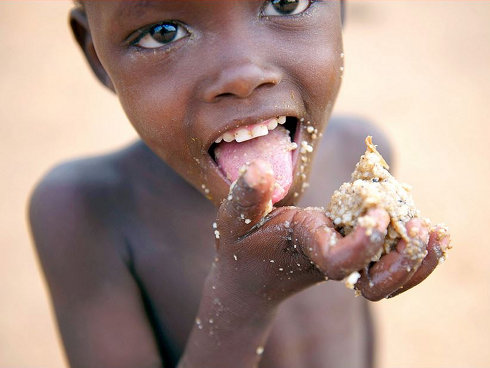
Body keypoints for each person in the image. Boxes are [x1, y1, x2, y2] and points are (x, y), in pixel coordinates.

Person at [28, 1, 450, 367]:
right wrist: (242, 299)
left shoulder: (356, 154)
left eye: (286, 2)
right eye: (163, 32)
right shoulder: (84, 213)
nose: (243, 75)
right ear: (97, 56)